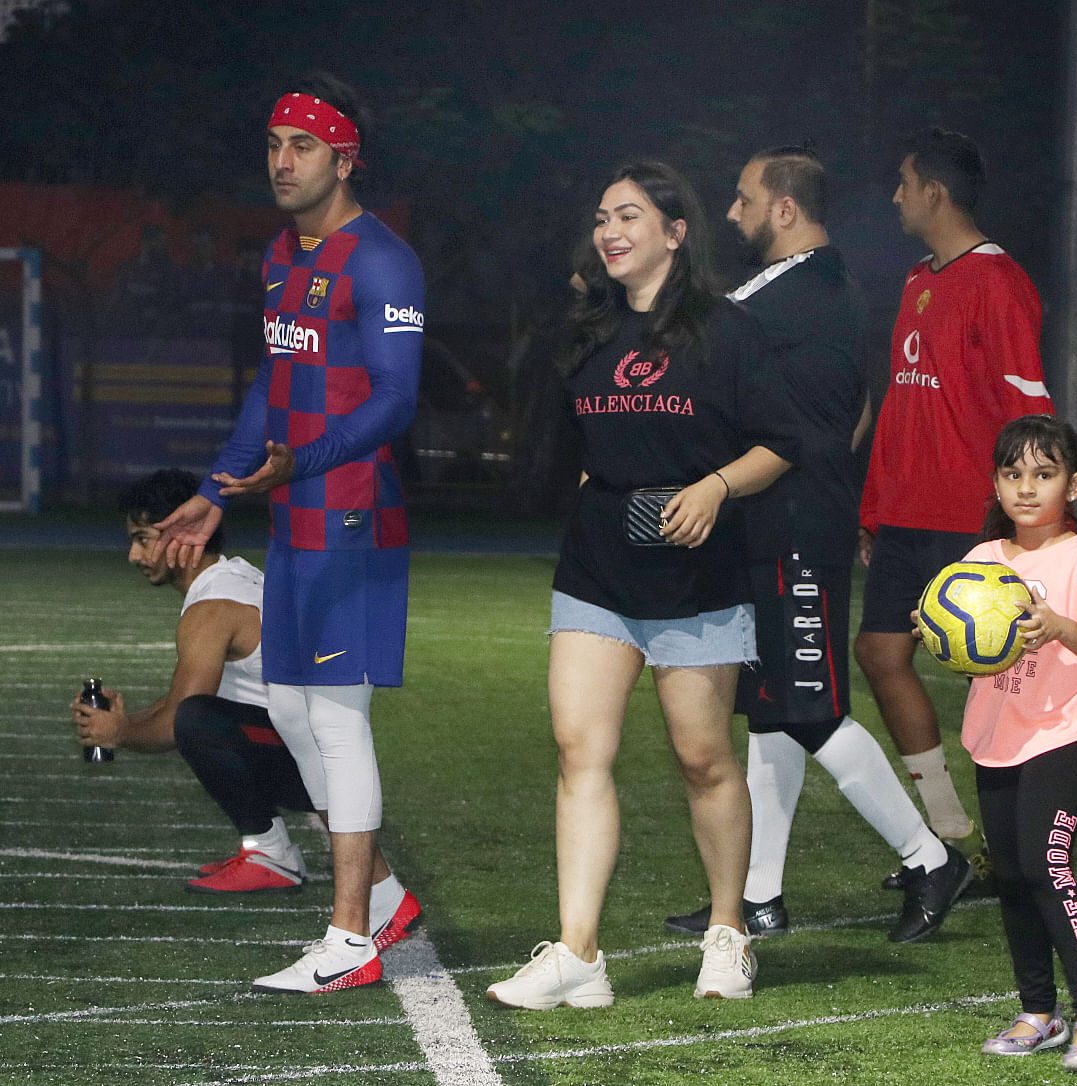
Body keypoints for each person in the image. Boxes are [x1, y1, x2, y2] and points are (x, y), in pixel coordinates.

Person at [486, 161, 797, 1009]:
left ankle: (728, 931)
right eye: (601, 217)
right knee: (581, 750)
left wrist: (715, 488)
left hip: (699, 574)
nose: (610, 231)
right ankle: (578, 953)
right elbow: (578, 454)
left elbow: (782, 442)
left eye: (628, 215)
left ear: (675, 231)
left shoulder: (725, 332)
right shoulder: (585, 334)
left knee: (702, 759)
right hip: (597, 571)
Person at [152, 73, 425, 994]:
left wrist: (299, 465)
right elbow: (275, 383)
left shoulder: (383, 259)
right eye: (273, 143)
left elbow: (395, 399)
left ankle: (350, 941)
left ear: (344, 158)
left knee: (338, 721)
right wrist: (216, 491)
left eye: (301, 145)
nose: (281, 160)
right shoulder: (281, 255)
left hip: (354, 514)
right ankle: (382, 899)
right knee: (299, 709)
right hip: (296, 515)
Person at [662, 146, 972, 945]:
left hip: (797, 530)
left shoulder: (815, 289)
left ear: (785, 209)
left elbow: (816, 417)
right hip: (766, 529)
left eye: (742, 200)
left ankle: (930, 856)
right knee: (772, 713)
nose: (733, 214)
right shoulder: (786, 288)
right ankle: (759, 896)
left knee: (812, 707)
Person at [71, 470, 421, 948]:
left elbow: (180, 719)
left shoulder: (211, 607)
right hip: (307, 744)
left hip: (312, 755)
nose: (134, 555)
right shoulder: (232, 578)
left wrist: (119, 734)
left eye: (143, 539)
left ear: (185, 535)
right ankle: (287, 859)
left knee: (197, 720)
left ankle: (280, 857)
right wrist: (128, 722)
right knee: (203, 713)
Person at [854, 128, 1054, 875]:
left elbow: (1026, 402)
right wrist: (875, 506)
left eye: (905, 184)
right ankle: (946, 836)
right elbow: (902, 406)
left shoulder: (997, 281)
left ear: (934, 191)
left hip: (969, 517)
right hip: (906, 513)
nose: (897, 196)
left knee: (999, 678)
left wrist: (1033, 512)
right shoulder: (917, 279)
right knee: (879, 652)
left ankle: (1027, 839)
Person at [951, 415, 1077, 1072]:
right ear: (996, 483)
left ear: (1073, 483)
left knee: (1048, 869)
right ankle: (1037, 1010)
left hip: (1063, 734)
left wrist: (1059, 625)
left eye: (1044, 474)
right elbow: (968, 652)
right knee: (1015, 880)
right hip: (994, 738)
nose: (1027, 488)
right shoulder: (980, 560)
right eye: (1013, 473)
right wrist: (938, 631)